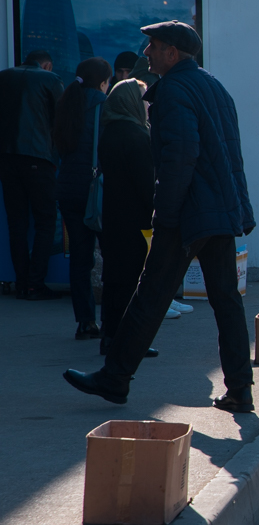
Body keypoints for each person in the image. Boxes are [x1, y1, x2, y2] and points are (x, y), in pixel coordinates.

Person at [64, 20, 257, 412]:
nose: (146, 53)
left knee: (150, 295)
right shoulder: (213, 86)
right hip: (217, 210)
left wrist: (164, 214)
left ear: (172, 52)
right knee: (226, 301)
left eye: (152, 46)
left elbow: (178, 158)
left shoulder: (172, 91)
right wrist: (241, 209)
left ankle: (115, 378)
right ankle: (240, 389)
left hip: (188, 212)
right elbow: (231, 155)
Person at [52, 57, 113, 338]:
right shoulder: (103, 105)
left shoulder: (67, 103)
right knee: (113, 257)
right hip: (95, 192)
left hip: (68, 189)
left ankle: (85, 321)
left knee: (79, 257)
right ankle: (113, 320)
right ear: (102, 82)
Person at [95, 78, 154, 355]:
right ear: (132, 102)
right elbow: (146, 185)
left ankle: (109, 335)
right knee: (133, 282)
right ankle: (128, 341)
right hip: (135, 221)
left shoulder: (109, 131)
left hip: (113, 217)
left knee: (114, 279)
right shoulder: (137, 136)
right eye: (143, 99)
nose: (147, 105)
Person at [0, 49, 65, 300]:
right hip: (39, 158)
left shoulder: (4, 77)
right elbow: (60, 121)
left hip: (6, 159)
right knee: (45, 221)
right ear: (47, 65)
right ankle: (35, 283)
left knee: (17, 223)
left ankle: (21, 281)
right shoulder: (50, 80)